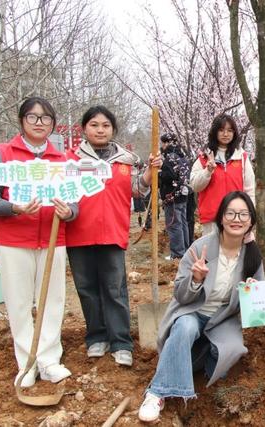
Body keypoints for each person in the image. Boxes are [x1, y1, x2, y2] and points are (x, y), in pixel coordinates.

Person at [138, 191, 264, 422]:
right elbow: (180, 294)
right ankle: (157, 392)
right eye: (231, 213)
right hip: (193, 311)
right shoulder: (201, 248)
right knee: (184, 328)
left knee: (232, 351)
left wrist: (253, 295)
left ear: (251, 221)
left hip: (223, 319)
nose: (237, 219)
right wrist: (195, 279)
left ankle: (183, 360)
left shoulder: (252, 256)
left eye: (243, 214)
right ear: (221, 217)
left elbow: (256, 309)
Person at [0, 96, 75, 387]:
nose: (39, 123)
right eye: (33, 117)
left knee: (53, 301)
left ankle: (49, 360)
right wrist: (14, 208)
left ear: (53, 124)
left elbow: (74, 200)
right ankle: (27, 363)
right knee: (19, 303)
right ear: (22, 120)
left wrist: (69, 212)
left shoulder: (62, 160)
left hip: (53, 240)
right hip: (13, 241)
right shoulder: (3, 155)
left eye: (46, 118)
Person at [66, 105, 162, 367]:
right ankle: (97, 337)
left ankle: (121, 342)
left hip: (112, 232)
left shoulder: (124, 160)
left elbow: (136, 190)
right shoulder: (71, 160)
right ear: (84, 129)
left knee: (115, 289)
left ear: (113, 129)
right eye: (94, 125)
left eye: (105, 125)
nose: (100, 130)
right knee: (86, 288)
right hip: (79, 232)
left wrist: (149, 172)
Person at [189, 114, 255, 235]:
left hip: (236, 218)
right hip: (212, 219)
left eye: (230, 130)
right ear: (215, 132)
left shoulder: (241, 157)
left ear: (234, 133)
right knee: (213, 248)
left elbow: (249, 189)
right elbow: (195, 186)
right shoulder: (204, 157)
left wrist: (250, 215)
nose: (225, 134)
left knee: (235, 247)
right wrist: (207, 171)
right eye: (221, 130)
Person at [159, 132, 191, 260]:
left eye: (163, 143)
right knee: (183, 223)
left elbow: (170, 176)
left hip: (172, 197)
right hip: (182, 195)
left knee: (174, 225)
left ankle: (177, 253)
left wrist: (159, 173)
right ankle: (185, 249)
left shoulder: (170, 158)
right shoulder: (182, 156)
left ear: (167, 143)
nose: (162, 146)